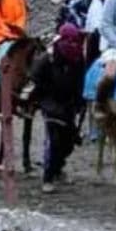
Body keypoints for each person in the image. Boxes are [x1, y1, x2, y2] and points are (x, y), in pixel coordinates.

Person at [30, 23, 86, 193]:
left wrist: (79, 103)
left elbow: (80, 82)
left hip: (69, 105)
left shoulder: (78, 59)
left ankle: (58, 167)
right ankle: (48, 177)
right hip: (50, 103)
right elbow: (36, 81)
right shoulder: (47, 59)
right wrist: (42, 102)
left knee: (68, 142)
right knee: (53, 141)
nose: (72, 45)